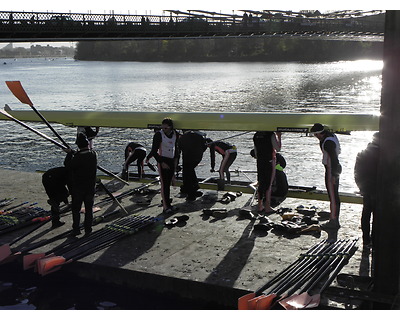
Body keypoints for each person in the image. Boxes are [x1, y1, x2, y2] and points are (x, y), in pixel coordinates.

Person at [64, 133, 98, 236]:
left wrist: (69, 153)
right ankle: (88, 229)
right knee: (89, 210)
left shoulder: (77, 158)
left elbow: (67, 165)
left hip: (78, 188)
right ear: (87, 144)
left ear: (78, 145)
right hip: (90, 187)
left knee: (76, 210)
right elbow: (83, 154)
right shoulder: (94, 154)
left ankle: (76, 229)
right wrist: (74, 153)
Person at [310, 123, 342, 230]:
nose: (315, 136)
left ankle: (333, 220)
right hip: (333, 168)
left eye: (315, 134)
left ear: (318, 134)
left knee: (333, 196)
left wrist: (334, 175)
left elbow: (334, 159)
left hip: (331, 169)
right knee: (334, 195)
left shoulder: (328, 143)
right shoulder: (331, 136)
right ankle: (334, 217)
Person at [146, 118, 180, 214]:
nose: (164, 129)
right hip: (162, 160)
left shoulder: (175, 134)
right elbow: (154, 151)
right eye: (163, 127)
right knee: (164, 185)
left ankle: (169, 204)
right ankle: (165, 206)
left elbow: (176, 149)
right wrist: (161, 162)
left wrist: (176, 162)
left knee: (169, 183)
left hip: (171, 160)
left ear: (170, 127)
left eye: (166, 128)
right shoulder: (158, 135)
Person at [354, 132, 379, 247]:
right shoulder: (381, 154)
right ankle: (374, 239)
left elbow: (356, 172)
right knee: (377, 216)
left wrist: (360, 186)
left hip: (365, 188)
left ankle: (366, 239)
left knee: (366, 214)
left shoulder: (362, 153)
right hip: (377, 188)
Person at [252, 131, 282, 214]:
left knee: (261, 182)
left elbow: (256, 151)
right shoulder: (270, 134)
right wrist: (279, 136)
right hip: (269, 160)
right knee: (268, 184)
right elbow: (278, 148)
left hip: (260, 161)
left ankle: (260, 205)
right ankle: (267, 206)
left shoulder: (256, 135)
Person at [178, 130, 208, 201]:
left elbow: (179, 150)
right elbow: (204, 146)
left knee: (187, 174)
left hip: (187, 157)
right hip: (197, 157)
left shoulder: (182, 138)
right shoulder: (199, 135)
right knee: (190, 171)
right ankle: (194, 187)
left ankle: (191, 193)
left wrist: (176, 164)